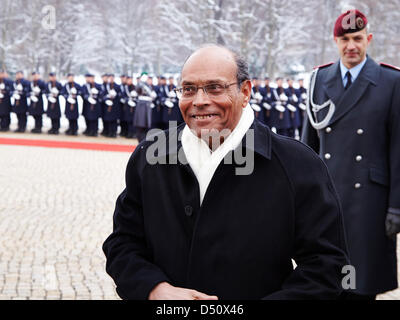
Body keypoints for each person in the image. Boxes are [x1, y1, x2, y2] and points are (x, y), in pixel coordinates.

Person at [103, 44, 349, 300]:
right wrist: (155, 290)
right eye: (188, 89)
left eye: (214, 88)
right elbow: (122, 243)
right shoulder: (149, 157)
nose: (199, 101)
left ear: (245, 92)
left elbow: (328, 267)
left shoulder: (298, 164)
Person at [301, 9, 400, 300]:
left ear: (368, 39)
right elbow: (308, 148)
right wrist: (301, 199)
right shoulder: (319, 80)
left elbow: (398, 149)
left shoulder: (390, 81)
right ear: (336, 41)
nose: (351, 45)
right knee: (327, 282)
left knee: (360, 286)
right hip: (327, 198)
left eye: (357, 38)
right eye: (344, 39)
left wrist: (396, 206)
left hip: (370, 200)